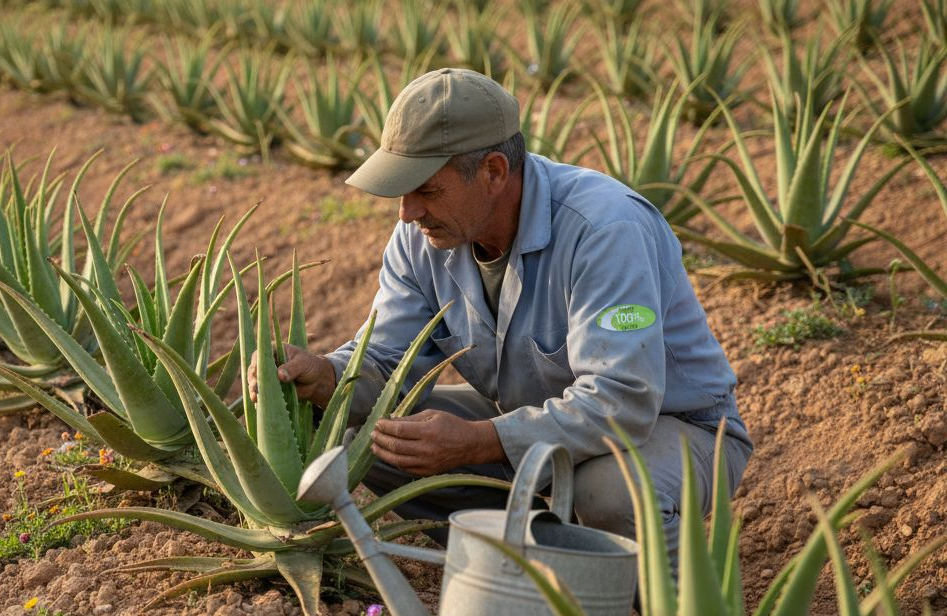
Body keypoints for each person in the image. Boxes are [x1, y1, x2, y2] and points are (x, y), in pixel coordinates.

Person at [259, 68, 751, 554]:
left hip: (675, 428)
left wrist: (480, 441)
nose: (407, 212)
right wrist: (325, 376)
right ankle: (528, 572)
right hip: (530, 417)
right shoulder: (422, 236)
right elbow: (389, 362)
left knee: (608, 492)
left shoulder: (604, 229)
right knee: (375, 436)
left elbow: (620, 401)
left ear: (493, 171)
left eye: (426, 190)